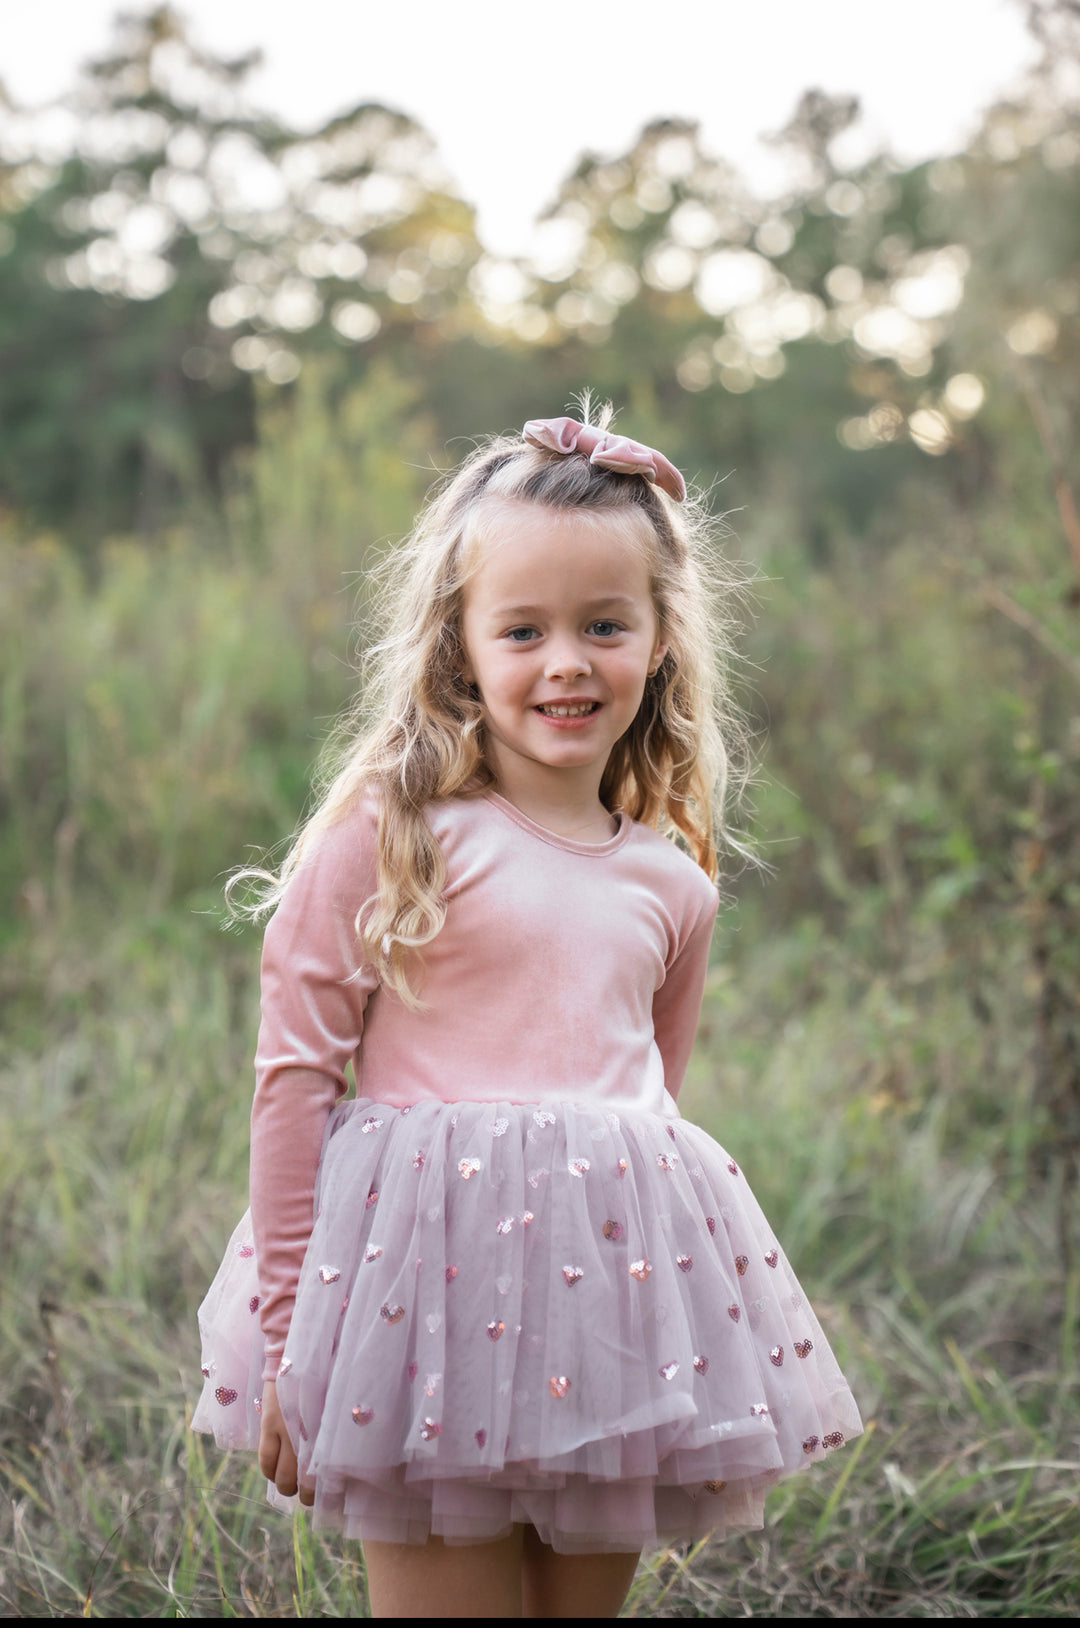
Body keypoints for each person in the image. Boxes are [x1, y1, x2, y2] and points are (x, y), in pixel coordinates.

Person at [192, 408, 863, 1618]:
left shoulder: (672, 882)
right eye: (523, 629)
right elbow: (293, 1082)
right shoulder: (393, 841)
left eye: (605, 624)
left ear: (660, 642)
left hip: (603, 1317)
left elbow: (650, 1116)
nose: (567, 661)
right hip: (419, 1308)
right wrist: (297, 1337)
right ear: (459, 646)